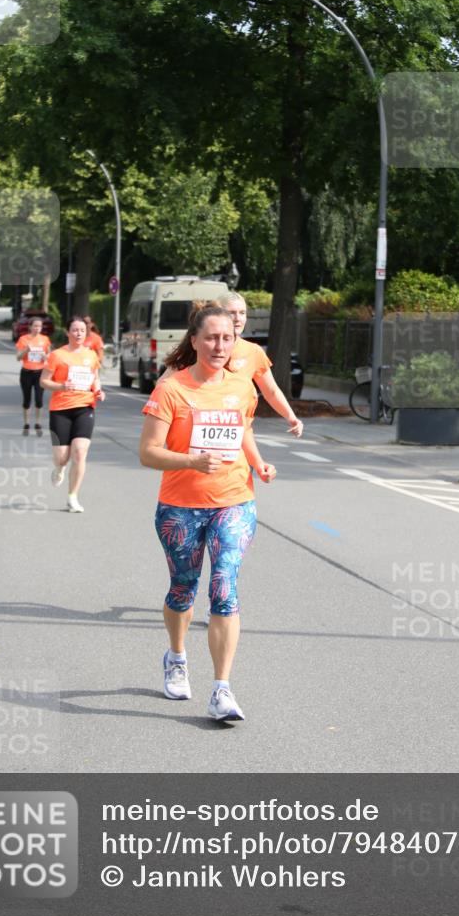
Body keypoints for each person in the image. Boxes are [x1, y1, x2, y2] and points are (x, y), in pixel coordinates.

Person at [139, 304, 276, 722]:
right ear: (194, 341)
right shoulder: (172, 389)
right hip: (180, 506)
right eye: (212, 338)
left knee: (224, 585)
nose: (220, 345)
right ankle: (177, 657)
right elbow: (148, 453)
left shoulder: (241, 386)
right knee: (183, 587)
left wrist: (257, 463)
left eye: (227, 338)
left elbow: (243, 429)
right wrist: (191, 461)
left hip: (234, 500)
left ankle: (222, 689)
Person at [40, 316, 105, 513]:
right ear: (68, 332)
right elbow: (44, 381)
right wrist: (61, 386)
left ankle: (72, 497)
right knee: (61, 457)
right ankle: (60, 468)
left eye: (82, 330)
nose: (78, 334)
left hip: (85, 407)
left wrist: (99, 390)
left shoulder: (91, 355)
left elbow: (95, 378)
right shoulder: (57, 355)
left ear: (87, 333)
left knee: (79, 452)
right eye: (75, 330)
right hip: (60, 409)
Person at [221, 292, 304, 438]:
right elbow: (168, 384)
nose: (238, 318)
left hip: (237, 435)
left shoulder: (253, 351)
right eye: (231, 313)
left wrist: (291, 417)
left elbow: (271, 391)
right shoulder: (199, 347)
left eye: (242, 313)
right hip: (200, 430)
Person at [15, 316, 51, 435]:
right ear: (30, 327)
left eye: (39, 326)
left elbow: (50, 357)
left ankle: (38, 423)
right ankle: (26, 424)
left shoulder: (45, 339)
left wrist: (44, 356)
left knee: (39, 399)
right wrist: (26, 350)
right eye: (35, 326)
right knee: (27, 399)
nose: (37, 328)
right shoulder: (23, 339)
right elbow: (18, 357)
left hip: (40, 372)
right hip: (26, 372)